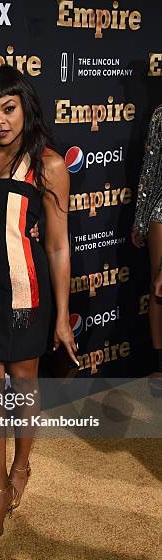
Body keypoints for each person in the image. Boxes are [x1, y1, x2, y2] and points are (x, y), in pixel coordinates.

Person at [0, 65, 78, 541]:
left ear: (26, 106)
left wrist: (63, 318)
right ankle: (0, 489)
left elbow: (58, 245)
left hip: (26, 291)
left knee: (24, 385)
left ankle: (23, 463)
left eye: (8, 109)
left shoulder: (48, 164)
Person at [131, 104, 162, 392]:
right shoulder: (160, 116)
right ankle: (158, 364)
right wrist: (140, 219)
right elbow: (150, 171)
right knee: (159, 285)